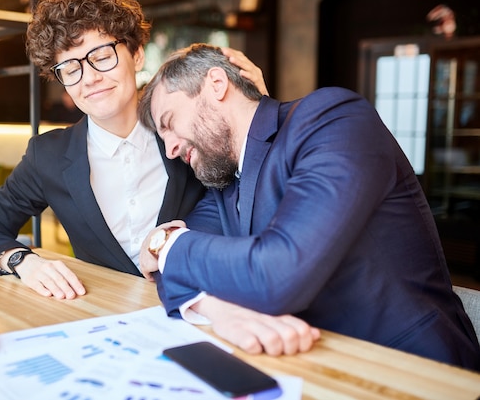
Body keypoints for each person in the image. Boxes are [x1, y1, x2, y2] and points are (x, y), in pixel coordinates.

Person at [137, 43, 480, 369]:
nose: (170, 149)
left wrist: (164, 243)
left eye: (168, 122)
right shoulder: (224, 185)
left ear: (216, 84)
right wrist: (213, 307)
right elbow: (170, 269)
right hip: (310, 367)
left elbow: (279, 272)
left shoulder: (331, 120)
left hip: (413, 367)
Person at [0, 0, 266, 299]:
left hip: (201, 306)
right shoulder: (48, 155)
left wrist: (251, 112)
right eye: (70, 68)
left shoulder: (189, 131)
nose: (89, 78)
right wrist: (24, 262)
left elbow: (254, 198)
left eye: (102, 56)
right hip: (101, 315)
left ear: (136, 55)